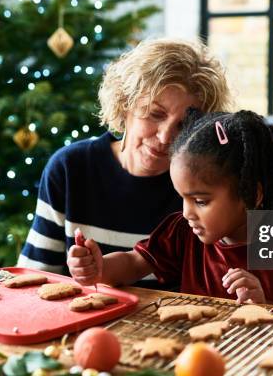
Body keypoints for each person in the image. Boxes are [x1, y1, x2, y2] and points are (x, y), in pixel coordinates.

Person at [68, 109, 273, 309]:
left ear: (251, 194)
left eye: (200, 201)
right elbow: (132, 263)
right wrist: (99, 267)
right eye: (182, 198)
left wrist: (265, 306)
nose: (187, 213)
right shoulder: (182, 233)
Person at [17, 38, 233, 277]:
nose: (165, 137)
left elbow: (267, 260)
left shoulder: (208, 184)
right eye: (155, 114)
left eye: (184, 125)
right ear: (124, 104)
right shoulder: (71, 168)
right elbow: (34, 277)